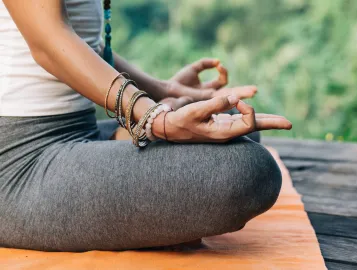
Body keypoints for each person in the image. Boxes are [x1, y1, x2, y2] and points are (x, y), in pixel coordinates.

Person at [0, 0, 292, 252]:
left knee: (234, 127)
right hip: (18, 161)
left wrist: (165, 91)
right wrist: (155, 116)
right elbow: (49, 42)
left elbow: (84, 43)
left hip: (77, 130)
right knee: (248, 171)